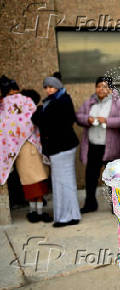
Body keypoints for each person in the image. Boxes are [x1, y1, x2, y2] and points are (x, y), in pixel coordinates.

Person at [0, 76, 51, 223]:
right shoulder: (26, 101)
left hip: (19, 149)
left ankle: (33, 212)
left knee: (28, 182)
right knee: (39, 181)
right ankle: (39, 212)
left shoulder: (4, 104)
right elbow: (35, 119)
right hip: (34, 145)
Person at [32, 76, 81, 227]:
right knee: (66, 182)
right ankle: (72, 215)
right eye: (46, 87)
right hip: (63, 147)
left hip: (61, 148)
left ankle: (65, 217)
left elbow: (41, 120)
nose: (48, 90)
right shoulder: (59, 99)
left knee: (61, 183)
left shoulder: (60, 101)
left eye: (51, 87)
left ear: (58, 87)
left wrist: (40, 111)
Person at [76, 77, 120, 213]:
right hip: (93, 146)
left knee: (113, 178)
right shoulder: (90, 102)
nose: (101, 89)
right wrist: (88, 119)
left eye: (104, 86)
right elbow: (79, 116)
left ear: (110, 89)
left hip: (110, 147)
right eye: (98, 86)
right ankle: (90, 204)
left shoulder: (118, 103)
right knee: (91, 176)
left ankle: (116, 207)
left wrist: (106, 120)